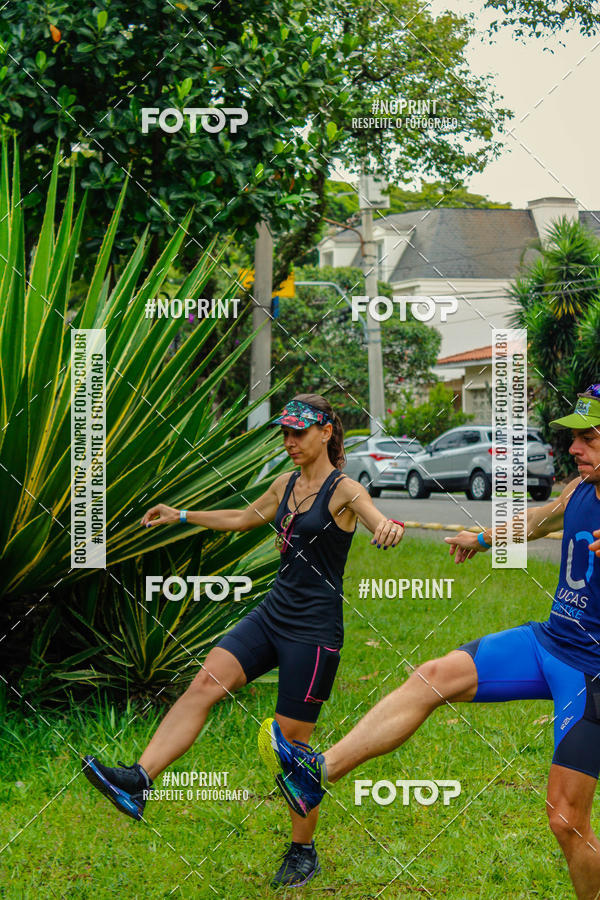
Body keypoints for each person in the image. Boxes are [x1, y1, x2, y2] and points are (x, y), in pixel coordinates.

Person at [259, 385, 600, 900]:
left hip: (591, 674)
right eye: (574, 437)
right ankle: (317, 771)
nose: (574, 449)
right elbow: (538, 520)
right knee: (432, 677)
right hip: (550, 642)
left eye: (588, 438)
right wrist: (482, 539)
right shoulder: (580, 490)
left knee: (565, 818)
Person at [81, 393, 405, 888]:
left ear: (326, 432)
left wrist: (387, 529)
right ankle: (139, 782)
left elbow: (376, 518)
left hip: (314, 633)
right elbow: (243, 518)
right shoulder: (285, 483)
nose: (290, 441)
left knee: (291, 747)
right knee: (205, 684)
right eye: (286, 433)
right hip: (273, 614)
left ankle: (303, 850)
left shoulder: (344, 490)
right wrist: (182, 515)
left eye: (300, 432)